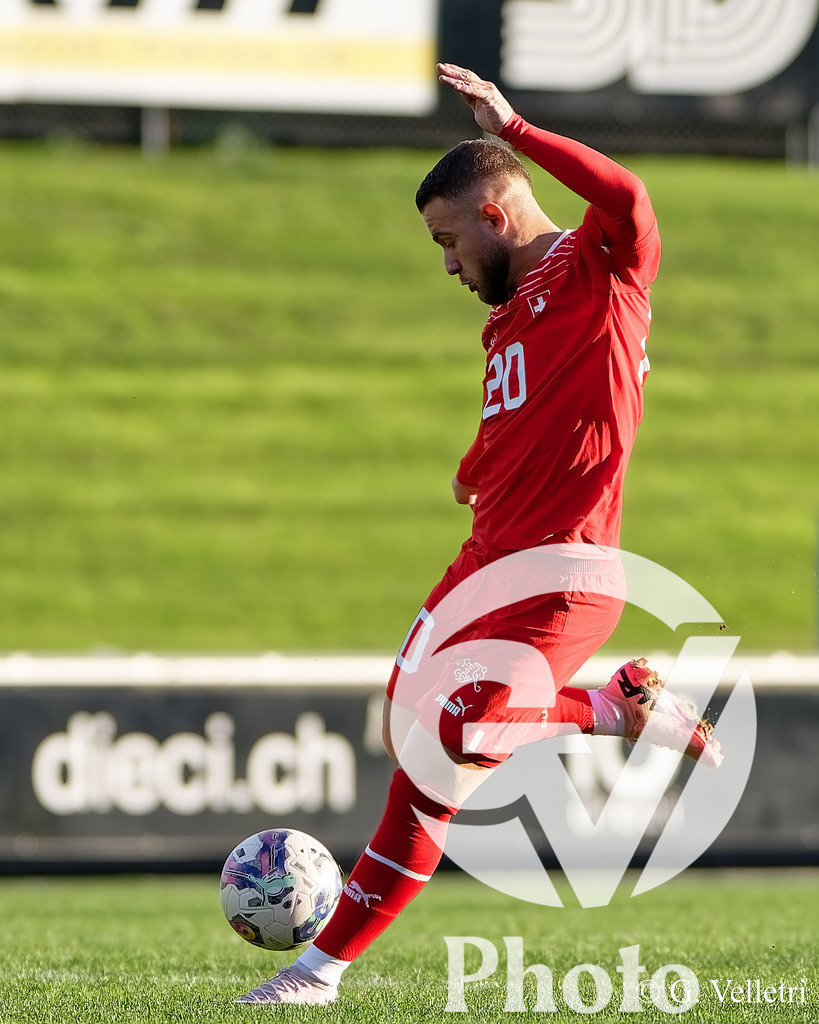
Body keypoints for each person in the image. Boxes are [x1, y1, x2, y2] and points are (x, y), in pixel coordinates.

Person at [235, 63, 721, 1006]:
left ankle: (615, 708)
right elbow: (528, 423)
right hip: (484, 565)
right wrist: (474, 466)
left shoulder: (604, 268)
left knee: (460, 729)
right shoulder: (507, 321)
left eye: (448, 239)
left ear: (494, 214)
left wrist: (517, 125)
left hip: (564, 572)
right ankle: (317, 973)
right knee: (413, 748)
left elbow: (628, 193)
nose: (448, 263)